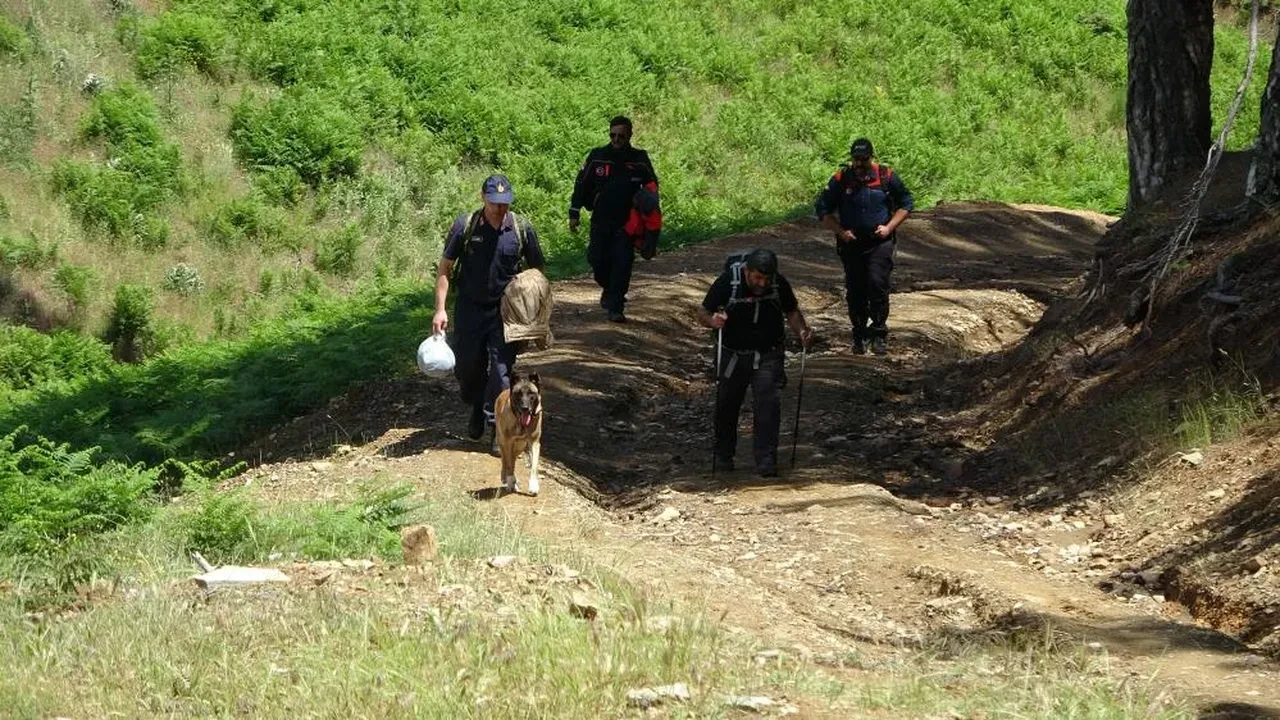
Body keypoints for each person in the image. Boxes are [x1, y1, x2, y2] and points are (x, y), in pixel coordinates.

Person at [434, 174, 547, 454]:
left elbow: (537, 271)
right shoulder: (465, 226)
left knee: (501, 370)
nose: (500, 208)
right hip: (470, 309)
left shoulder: (521, 228)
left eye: (504, 202)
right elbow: (445, 269)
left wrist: (532, 306)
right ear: (483, 197)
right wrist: (440, 310)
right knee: (467, 368)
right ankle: (477, 404)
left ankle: (497, 427)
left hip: (506, 314)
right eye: (495, 202)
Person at [696, 249, 813, 477]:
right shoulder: (728, 282)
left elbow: (791, 311)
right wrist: (712, 321)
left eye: (767, 278)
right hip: (732, 354)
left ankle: (766, 460)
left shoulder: (778, 283)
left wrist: (801, 331)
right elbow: (702, 312)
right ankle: (723, 456)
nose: (763, 283)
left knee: (768, 406)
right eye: (758, 277)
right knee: (727, 405)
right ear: (747, 271)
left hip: (768, 353)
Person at [815, 137, 914, 355]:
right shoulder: (841, 179)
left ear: (871, 157)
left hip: (880, 242)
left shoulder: (886, 176)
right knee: (856, 289)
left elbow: (907, 203)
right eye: (856, 159)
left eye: (864, 159)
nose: (859, 164)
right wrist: (840, 231)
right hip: (851, 243)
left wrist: (889, 227)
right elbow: (822, 209)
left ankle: (878, 333)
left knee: (877, 284)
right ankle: (859, 334)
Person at [569, 115, 660, 323]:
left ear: (630, 135)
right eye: (613, 135)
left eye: (621, 136)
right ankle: (609, 289)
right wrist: (574, 212)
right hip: (600, 220)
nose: (616, 139)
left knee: (622, 264)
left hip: (627, 224)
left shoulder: (639, 159)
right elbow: (581, 184)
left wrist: (651, 229)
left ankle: (616, 306)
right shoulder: (598, 156)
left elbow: (652, 190)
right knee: (596, 260)